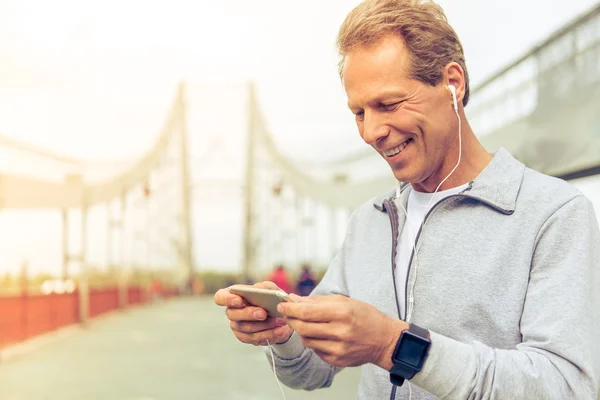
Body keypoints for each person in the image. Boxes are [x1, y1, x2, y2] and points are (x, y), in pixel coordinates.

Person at [214, 0, 600, 398]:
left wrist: (393, 345)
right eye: (359, 112)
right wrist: (282, 335)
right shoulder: (368, 221)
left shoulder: (555, 214)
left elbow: (567, 387)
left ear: (453, 83)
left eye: (388, 104)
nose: (371, 132)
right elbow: (310, 372)